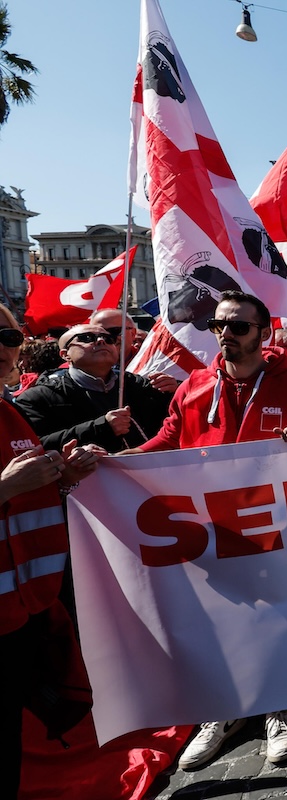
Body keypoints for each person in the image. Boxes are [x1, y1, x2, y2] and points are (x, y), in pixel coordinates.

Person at [126, 290, 287, 770]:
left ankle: (278, 707)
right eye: (218, 325)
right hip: (208, 532)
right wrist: (118, 464)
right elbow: (168, 439)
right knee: (215, 624)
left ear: (263, 333)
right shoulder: (195, 385)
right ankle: (222, 712)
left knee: (272, 620)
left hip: (274, 531)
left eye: (238, 326)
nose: (225, 334)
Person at [0, 302, 104, 795]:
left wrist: (65, 476)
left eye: (8, 336)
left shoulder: (9, 411)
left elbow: (30, 497)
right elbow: (10, 491)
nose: (2, 347)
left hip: (28, 609)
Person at [16, 323, 171, 453]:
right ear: (65, 354)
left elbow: (174, 424)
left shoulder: (142, 385)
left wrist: (174, 391)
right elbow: (34, 445)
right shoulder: (38, 398)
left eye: (109, 338)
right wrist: (101, 427)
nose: (101, 341)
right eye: (86, 338)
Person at [90, 308, 178, 394]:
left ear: (132, 333)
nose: (102, 339)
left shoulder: (156, 362)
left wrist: (175, 389)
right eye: (96, 334)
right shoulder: (82, 366)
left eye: (114, 331)